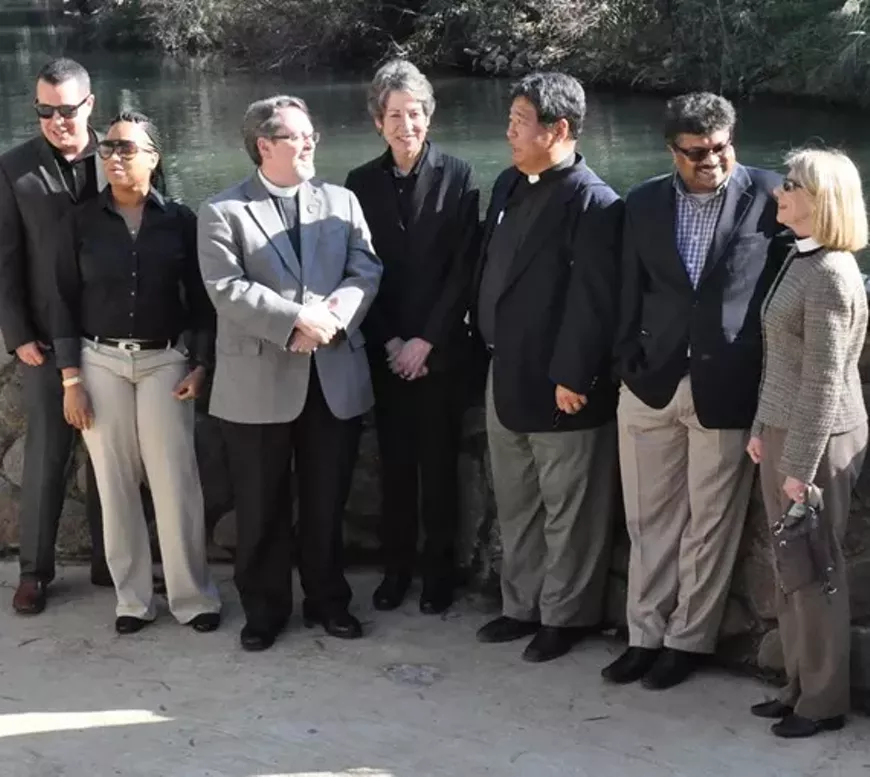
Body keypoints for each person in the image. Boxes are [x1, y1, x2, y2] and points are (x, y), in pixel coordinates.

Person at [606, 93, 786, 689]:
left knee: (710, 524)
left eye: (721, 147)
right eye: (696, 152)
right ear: (672, 150)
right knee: (648, 520)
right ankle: (643, 636)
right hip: (651, 383)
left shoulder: (772, 194)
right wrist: (627, 358)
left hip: (727, 385)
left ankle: (686, 642)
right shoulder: (644, 200)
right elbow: (627, 287)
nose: (711, 160)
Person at [198, 96, 382, 652]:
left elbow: (366, 267)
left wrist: (331, 319)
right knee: (260, 506)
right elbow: (226, 289)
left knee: (327, 502)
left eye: (311, 135)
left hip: (332, 376)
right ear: (265, 146)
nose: (310, 144)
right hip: (257, 385)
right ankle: (265, 610)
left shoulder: (341, 201)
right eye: (299, 136)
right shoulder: (221, 212)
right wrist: (296, 318)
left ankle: (329, 602)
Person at [472, 72, 623, 663]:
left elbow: (593, 302)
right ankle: (521, 606)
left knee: (569, 510)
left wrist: (574, 377)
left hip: (561, 384)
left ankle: (566, 617)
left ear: (558, 129)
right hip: (503, 372)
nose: (508, 131)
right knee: (517, 502)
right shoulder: (509, 182)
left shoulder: (594, 201)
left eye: (519, 121)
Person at [52, 111, 221, 635]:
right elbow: (61, 301)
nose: (114, 158)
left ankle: (192, 598)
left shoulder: (181, 222)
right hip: (99, 361)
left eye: (126, 148)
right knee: (115, 483)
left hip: (164, 362)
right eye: (107, 150)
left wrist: (201, 364)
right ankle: (132, 600)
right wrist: (71, 379)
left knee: (176, 482)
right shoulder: (79, 221)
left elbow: (201, 304)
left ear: (154, 156)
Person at [345, 60, 480, 615]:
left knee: (439, 468)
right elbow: (357, 269)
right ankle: (396, 570)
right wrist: (391, 341)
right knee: (395, 467)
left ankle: (438, 573)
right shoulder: (358, 183)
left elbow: (464, 269)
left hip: (440, 351)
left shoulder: (460, 175)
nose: (407, 124)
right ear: (379, 121)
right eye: (395, 114)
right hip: (386, 348)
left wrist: (426, 340)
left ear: (430, 116)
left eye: (416, 113)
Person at [746, 148, 868, 738]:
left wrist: (800, 464)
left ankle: (823, 703)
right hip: (783, 432)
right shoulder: (800, 259)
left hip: (817, 441)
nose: (778, 192)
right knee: (790, 568)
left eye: (790, 185)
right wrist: (760, 431)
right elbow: (783, 363)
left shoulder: (832, 276)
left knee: (816, 569)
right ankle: (798, 688)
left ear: (821, 200)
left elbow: (824, 380)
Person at [0, 57, 110, 614]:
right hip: (43, 343)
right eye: (45, 110)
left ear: (89, 104)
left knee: (111, 458)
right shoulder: (13, 168)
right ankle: (35, 573)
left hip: (114, 336)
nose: (56, 120)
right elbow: (4, 260)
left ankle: (111, 564)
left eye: (66, 110)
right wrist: (16, 333)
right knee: (47, 457)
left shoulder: (122, 155)